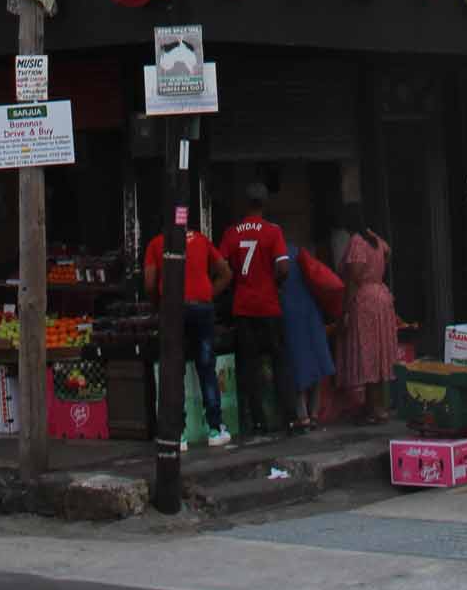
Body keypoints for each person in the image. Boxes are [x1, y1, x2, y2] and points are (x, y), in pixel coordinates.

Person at [144, 221, 233, 447]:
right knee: (206, 365)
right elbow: (226, 273)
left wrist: (159, 304)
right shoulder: (202, 240)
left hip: (173, 309)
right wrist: (207, 295)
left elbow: (149, 282)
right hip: (202, 309)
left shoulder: (156, 244)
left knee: (174, 368)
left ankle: (178, 434)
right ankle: (215, 429)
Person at [219, 183, 293, 437]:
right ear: (264, 203)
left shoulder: (232, 233)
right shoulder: (273, 231)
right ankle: (290, 418)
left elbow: (221, 267)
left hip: (243, 307)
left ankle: (258, 421)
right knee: (279, 361)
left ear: (245, 203)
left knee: (249, 366)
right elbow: (283, 269)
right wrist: (273, 284)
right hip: (269, 306)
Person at [335, 209, 398, 423]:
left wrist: (344, 311)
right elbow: (388, 251)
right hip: (381, 297)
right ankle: (377, 407)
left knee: (368, 353)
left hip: (365, 302)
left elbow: (353, 279)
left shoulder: (356, 241)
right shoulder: (374, 240)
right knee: (378, 353)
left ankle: (374, 409)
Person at [281, 245, 336, 430]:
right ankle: (314, 414)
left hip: (290, 311)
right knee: (316, 363)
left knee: (298, 364)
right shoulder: (299, 252)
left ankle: (302, 415)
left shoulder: (277, 256)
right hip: (311, 309)